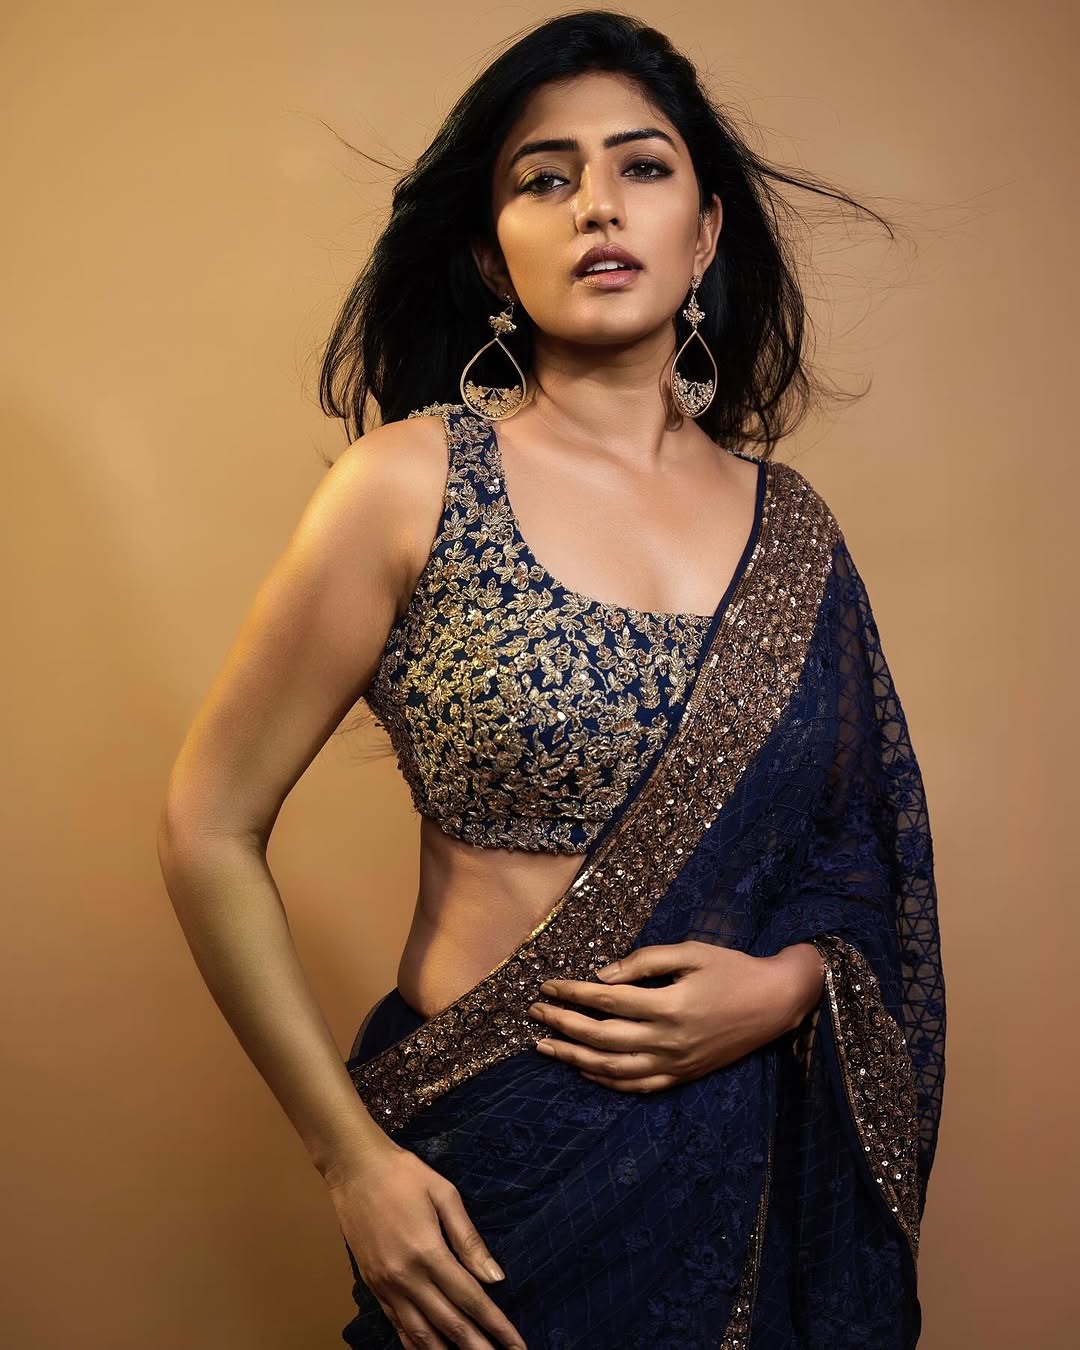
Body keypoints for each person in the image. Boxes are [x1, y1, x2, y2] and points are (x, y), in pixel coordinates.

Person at [157, 11, 946, 1349]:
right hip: (492, 1174)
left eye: (642, 166)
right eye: (544, 176)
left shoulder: (797, 535)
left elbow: (864, 849)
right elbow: (206, 824)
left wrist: (791, 986)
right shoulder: (408, 485)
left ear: (704, 232)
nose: (597, 205)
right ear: (490, 252)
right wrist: (352, 1162)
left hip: (738, 1169)